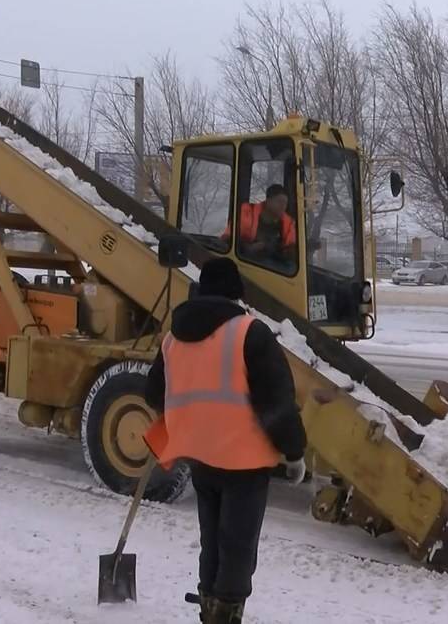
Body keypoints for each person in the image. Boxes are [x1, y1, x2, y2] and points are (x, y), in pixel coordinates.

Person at [144, 258, 307, 624]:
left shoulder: (173, 337)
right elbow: (276, 402)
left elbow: (153, 393)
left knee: (213, 540)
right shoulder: (249, 332)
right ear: (238, 294)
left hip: (199, 455)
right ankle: (225, 615)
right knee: (237, 544)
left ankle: (208, 607)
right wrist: (294, 452)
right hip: (244, 461)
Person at [222, 184, 297, 264]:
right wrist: (248, 248)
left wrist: (291, 252)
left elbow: (290, 248)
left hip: (276, 266)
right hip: (244, 260)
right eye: (279, 201)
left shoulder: (288, 222)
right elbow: (227, 239)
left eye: (285, 203)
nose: (283, 206)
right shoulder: (247, 213)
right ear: (268, 201)